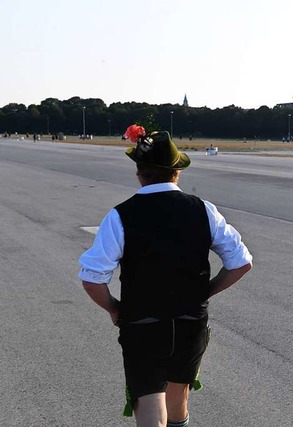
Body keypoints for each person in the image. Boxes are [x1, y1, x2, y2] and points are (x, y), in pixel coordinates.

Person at [78, 125, 253, 427]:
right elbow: (241, 262)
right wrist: (206, 291)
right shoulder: (204, 210)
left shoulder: (121, 215)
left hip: (142, 322)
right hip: (190, 321)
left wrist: (114, 308)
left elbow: (92, 277)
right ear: (177, 173)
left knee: (148, 398)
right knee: (177, 396)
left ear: (139, 173)